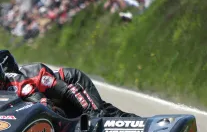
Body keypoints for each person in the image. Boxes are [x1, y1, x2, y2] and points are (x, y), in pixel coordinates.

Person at [0, 50, 139, 118]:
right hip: (57, 99)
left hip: (71, 84)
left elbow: (50, 100)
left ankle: (140, 126)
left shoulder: (20, 82)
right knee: (92, 112)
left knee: (96, 117)